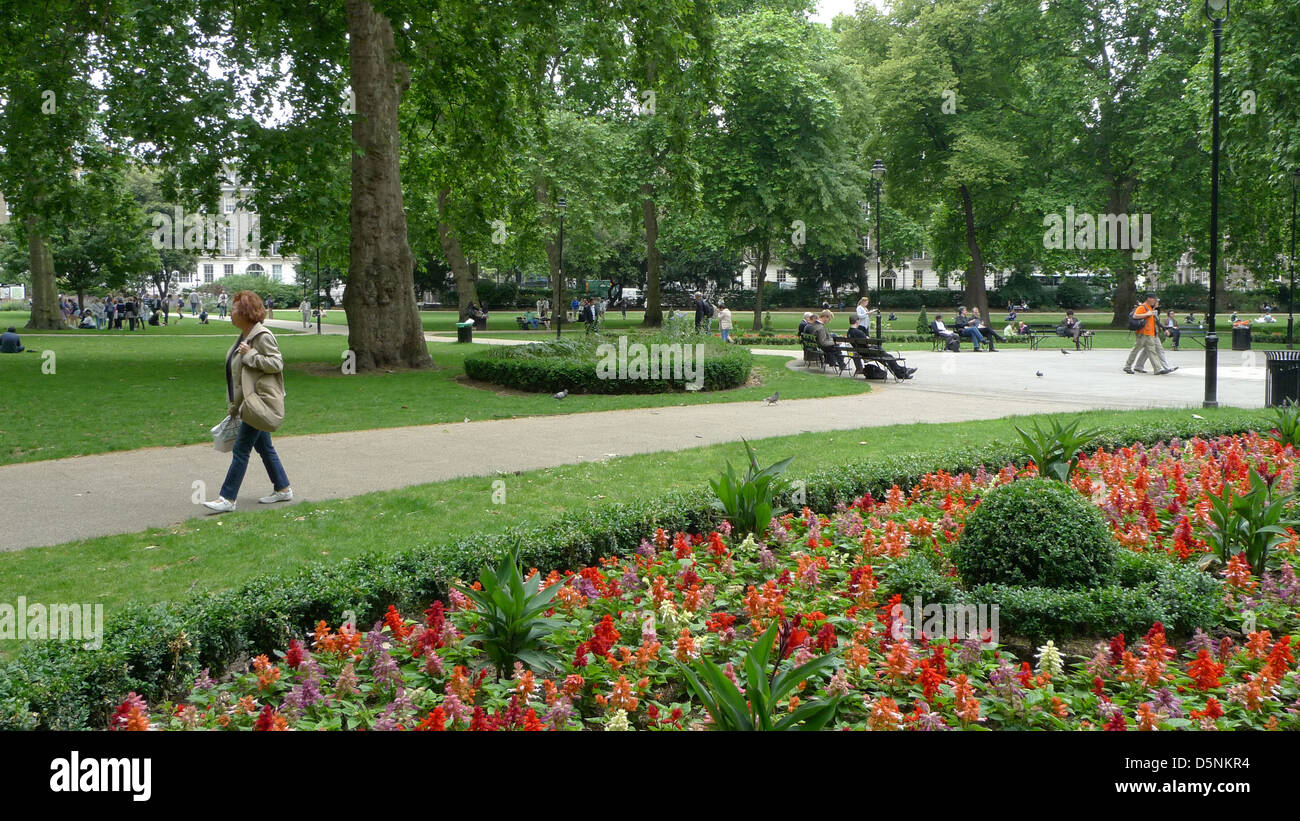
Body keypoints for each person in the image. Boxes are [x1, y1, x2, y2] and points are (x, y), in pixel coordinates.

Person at [203, 291, 292, 513]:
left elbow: (276, 364)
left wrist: (251, 355)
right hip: (248, 404)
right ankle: (283, 489)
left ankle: (228, 498)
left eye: (234, 310)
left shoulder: (261, 336)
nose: (230, 313)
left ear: (245, 312)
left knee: (241, 449)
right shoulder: (244, 336)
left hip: (258, 403)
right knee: (265, 447)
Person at [846, 315, 916, 380]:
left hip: (862, 352)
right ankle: (902, 373)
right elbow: (869, 344)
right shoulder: (859, 332)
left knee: (887, 357)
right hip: (869, 352)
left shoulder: (849, 332)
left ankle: (903, 371)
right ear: (857, 321)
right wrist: (867, 339)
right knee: (889, 357)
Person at [1124, 294, 1176, 375]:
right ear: (1148, 299)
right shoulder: (1142, 307)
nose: (1155, 301)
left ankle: (1157, 369)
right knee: (1136, 350)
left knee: (1152, 351)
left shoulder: (1149, 308)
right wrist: (1146, 314)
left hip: (1150, 334)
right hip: (1142, 333)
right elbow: (1135, 316)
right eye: (1153, 299)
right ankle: (1127, 366)